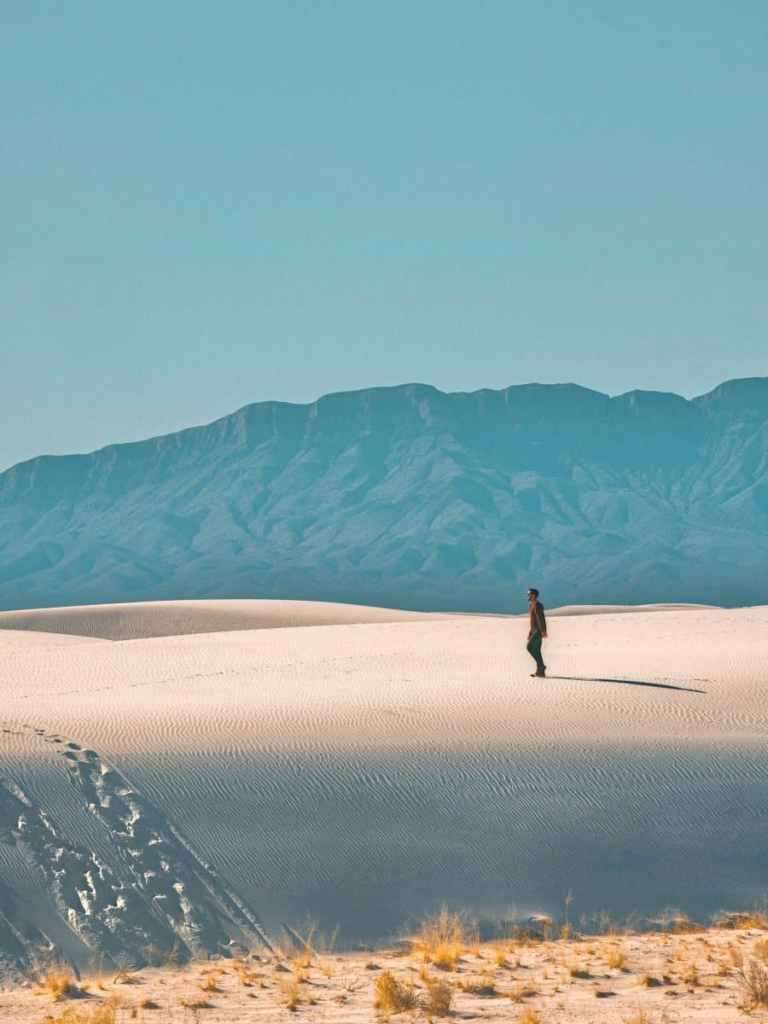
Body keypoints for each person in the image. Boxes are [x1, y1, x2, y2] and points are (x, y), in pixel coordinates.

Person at [526, 587, 548, 677]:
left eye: (529, 594)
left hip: (538, 631)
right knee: (537, 651)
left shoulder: (537, 605)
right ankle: (540, 671)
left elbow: (540, 618)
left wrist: (543, 631)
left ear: (534, 595)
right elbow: (533, 621)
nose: (527, 596)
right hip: (534, 631)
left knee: (529, 647)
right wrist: (530, 632)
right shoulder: (532, 605)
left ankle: (541, 666)